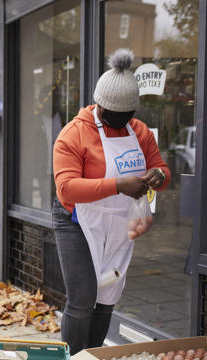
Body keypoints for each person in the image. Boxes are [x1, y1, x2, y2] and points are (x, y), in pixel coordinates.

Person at [52, 49, 170, 354]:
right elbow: (66, 188)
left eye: (127, 115)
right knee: (82, 298)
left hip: (117, 225)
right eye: (113, 115)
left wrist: (157, 175)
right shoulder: (73, 134)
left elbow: (162, 169)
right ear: (99, 105)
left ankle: (95, 354)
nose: (120, 122)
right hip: (76, 221)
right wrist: (118, 184)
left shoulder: (140, 132)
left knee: (107, 296)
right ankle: (74, 356)